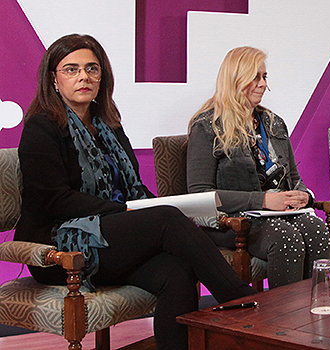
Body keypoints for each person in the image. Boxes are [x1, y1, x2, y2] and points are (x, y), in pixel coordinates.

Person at [16, 34, 255, 350]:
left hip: (110, 237)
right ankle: (246, 308)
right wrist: (125, 211)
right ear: (54, 79)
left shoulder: (109, 126)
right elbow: (53, 200)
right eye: (71, 69)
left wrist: (142, 207)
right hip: (61, 246)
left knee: (176, 271)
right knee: (167, 220)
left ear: (103, 77)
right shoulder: (41, 127)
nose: (84, 77)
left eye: (92, 69)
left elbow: (132, 188)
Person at [188, 46, 330, 289]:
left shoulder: (273, 123)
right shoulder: (207, 127)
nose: (262, 84)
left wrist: (302, 196)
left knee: (316, 228)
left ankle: (316, 309)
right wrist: (262, 200)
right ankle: (281, 321)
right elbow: (200, 194)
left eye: (264, 77)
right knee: (286, 239)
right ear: (235, 79)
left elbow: (294, 178)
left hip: (278, 215)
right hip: (234, 222)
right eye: (255, 77)